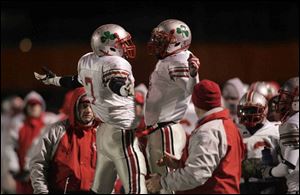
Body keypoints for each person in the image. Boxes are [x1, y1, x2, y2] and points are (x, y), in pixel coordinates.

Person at [33, 24, 147, 193]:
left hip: (103, 130)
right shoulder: (114, 62)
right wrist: (124, 89)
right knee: (137, 184)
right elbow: (115, 81)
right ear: (108, 46)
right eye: (121, 43)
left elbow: (75, 81)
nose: (125, 46)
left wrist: (53, 80)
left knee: (100, 187)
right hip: (120, 128)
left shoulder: (88, 60)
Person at [146, 79, 245, 194]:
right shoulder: (230, 126)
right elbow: (219, 166)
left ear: (196, 102)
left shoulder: (208, 131)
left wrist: (162, 182)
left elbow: (196, 175)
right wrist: (180, 163)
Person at [144, 19, 200, 193]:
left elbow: (193, 89)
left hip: (166, 129)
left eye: (162, 40)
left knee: (166, 186)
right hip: (160, 129)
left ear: (177, 42)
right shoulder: (172, 59)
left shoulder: (179, 60)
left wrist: (193, 75)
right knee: (158, 185)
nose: (156, 43)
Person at [29, 87, 99, 194]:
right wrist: (41, 191)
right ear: (75, 106)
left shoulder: (102, 134)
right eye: (84, 106)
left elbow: (110, 169)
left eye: (92, 106)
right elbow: (38, 163)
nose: (88, 110)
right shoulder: (56, 131)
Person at [7, 91, 59, 194]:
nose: (34, 107)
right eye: (31, 104)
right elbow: (10, 146)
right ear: (26, 107)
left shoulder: (49, 123)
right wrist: (14, 166)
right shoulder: (18, 124)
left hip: (43, 174)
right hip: (23, 174)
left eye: (36, 104)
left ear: (41, 106)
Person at [237, 90, 282, 194]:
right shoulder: (234, 130)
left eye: (253, 110)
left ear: (265, 110)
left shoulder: (276, 130)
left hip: (268, 184)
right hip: (241, 184)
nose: (248, 115)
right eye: (245, 111)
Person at [261, 77, 299, 194]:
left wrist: (268, 171)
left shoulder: (293, 123)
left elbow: (287, 167)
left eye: (287, 97)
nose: (281, 101)